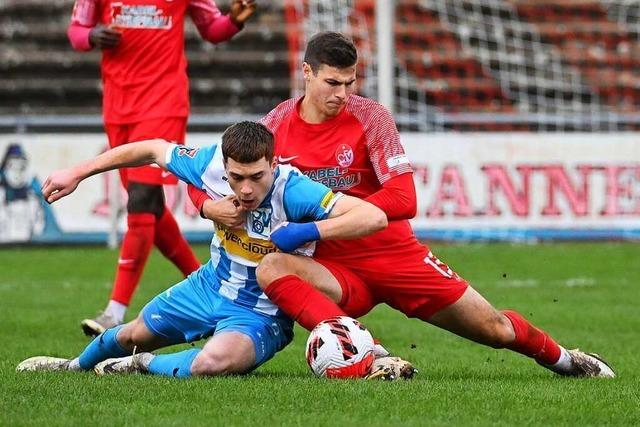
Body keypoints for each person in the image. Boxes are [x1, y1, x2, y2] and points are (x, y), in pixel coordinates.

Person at [190, 32, 615, 379]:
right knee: (273, 267)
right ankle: (368, 355)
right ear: (306, 73)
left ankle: (563, 358)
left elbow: (403, 198)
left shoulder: (371, 117)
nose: (342, 93)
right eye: (332, 83)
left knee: (495, 328)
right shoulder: (276, 125)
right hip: (330, 266)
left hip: (392, 254)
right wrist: (209, 209)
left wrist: (315, 226)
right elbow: (204, 172)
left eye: (350, 82)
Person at [16, 121, 387, 378]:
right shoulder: (208, 164)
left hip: (262, 312)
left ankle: (141, 365)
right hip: (208, 286)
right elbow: (151, 149)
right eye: (236, 177)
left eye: (256, 177)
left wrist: (306, 230)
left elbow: (373, 216)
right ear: (223, 165)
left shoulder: (295, 190)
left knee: (215, 362)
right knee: (130, 334)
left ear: (273, 164)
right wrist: (78, 173)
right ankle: (73, 366)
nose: (245, 189)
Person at [67, 0, 258, 336]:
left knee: (141, 200)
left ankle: (115, 311)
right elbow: (76, 32)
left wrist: (233, 21)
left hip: (163, 101)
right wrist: (93, 35)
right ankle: (206, 284)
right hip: (118, 103)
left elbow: (211, 28)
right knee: (151, 208)